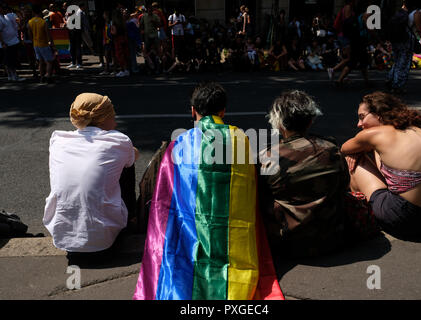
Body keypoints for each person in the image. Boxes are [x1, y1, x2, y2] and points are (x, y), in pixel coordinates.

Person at [134, 81, 284, 300]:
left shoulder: (179, 144)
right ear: (223, 111)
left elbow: (164, 199)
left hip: (190, 231)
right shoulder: (241, 139)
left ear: (193, 110)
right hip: (233, 234)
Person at [44, 93, 139, 258]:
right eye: (113, 116)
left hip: (63, 238)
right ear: (103, 119)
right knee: (126, 166)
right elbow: (133, 157)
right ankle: (131, 217)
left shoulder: (59, 139)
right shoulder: (118, 141)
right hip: (105, 242)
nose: (116, 122)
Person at [341, 92, 421, 239]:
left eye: (362, 117)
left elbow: (345, 148)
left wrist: (362, 149)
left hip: (404, 219)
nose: (359, 124)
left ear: (378, 114)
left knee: (353, 160)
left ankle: (362, 212)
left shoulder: (375, 134)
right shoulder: (415, 130)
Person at [259, 90, 350, 258]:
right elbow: (344, 186)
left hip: (286, 244)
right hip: (333, 239)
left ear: (278, 123)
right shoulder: (331, 149)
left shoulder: (267, 157)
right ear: (310, 121)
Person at [386, 0, 421, 94]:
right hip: (406, 40)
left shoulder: (404, 12)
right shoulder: (416, 13)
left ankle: (390, 80)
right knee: (404, 63)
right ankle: (397, 86)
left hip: (397, 39)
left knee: (397, 61)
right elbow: (419, 29)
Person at [28, 4, 55, 83]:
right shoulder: (43, 22)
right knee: (49, 61)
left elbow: (30, 35)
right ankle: (48, 77)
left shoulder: (30, 22)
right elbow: (48, 35)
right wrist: (52, 45)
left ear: (33, 12)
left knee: (40, 61)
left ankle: (42, 77)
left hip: (35, 45)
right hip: (44, 44)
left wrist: (33, 42)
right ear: (40, 12)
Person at [0, 4, 25, 81]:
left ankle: (10, 76)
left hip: (12, 41)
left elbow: (18, 21)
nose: (4, 10)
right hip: (7, 43)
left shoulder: (6, 17)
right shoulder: (0, 18)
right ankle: (14, 76)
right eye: (3, 8)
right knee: (11, 60)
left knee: (9, 60)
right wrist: (3, 43)